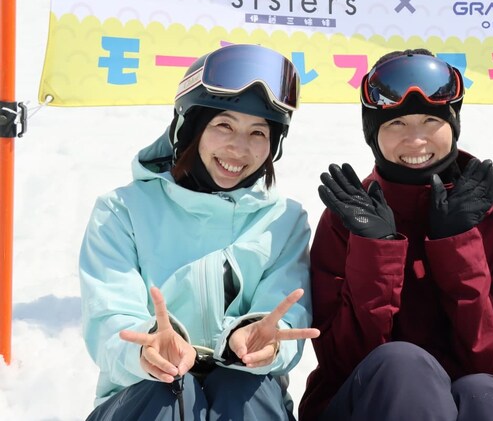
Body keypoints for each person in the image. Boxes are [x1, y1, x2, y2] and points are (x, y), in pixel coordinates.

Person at [79, 44, 320, 421]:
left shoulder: (283, 221)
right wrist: (145, 350)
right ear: (190, 128)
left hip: (246, 397)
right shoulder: (123, 211)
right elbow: (109, 316)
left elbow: (283, 311)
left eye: (258, 132)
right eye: (224, 125)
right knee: (171, 386)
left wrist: (264, 341)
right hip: (143, 396)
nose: (239, 148)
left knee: (241, 387)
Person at [299, 49, 493, 421]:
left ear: (453, 124)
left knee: (484, 391)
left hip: (470, 399)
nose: (416, 140)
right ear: (372, 133)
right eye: (396, 123)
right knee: (403, 364)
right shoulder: (348, 216)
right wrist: (375, 250)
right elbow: (341, 360)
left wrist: (457, 245)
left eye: (430, 120)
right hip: (368, 400)